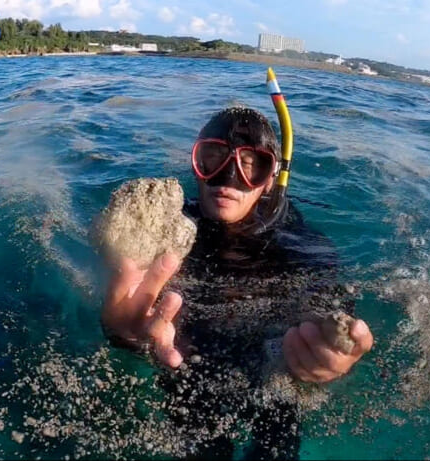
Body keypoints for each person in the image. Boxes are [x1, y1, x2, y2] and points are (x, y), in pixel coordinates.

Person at [101, 107, 374, 459]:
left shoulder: (298, 244)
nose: (228, 177)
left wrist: (332, 347)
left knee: (276, 446)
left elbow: (325, 287)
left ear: (270, 176)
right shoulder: (171, 232)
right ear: (196, 165)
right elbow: (129, 297)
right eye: (212, 158)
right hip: (190, 358)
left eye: (250, 164)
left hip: (271, 361)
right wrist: (123, 332)